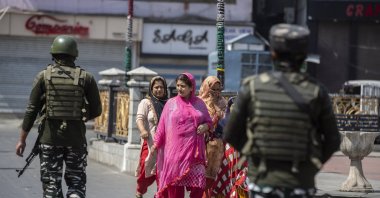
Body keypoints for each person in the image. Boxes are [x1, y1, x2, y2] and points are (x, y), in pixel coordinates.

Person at [224, 23, 341, 198]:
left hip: (263, 182)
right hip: (301, 184)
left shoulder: (253, 87)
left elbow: (231, 133)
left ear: (273, 54)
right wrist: (310, 166)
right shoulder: (317, 91)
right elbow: (333, 140)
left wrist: (254, 157)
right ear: (303, 56)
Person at [15, 35, 102, 198]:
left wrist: (22, 140)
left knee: (51, 186)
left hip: (49, 139)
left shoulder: (43, 76)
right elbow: (97, 110)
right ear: (75, 54)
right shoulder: (86, 78)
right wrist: (81, 116)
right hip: (76, 140)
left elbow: (31, 110)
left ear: (53, 54)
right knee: (76, 183)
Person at [151, 73, 212, 198]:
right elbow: (162, 127)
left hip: (195, 154)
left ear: (191, 88)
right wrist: (155, 146)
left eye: (183, 86)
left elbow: (209, 122)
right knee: (175, 189)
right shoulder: (170, 104)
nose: (179, 88)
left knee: (198, 187)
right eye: (178, 85)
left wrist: (205, 126)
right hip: (175, 155)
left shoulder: (199, 103)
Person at [135, 76, 168, 198]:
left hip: (165, 146)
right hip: (149, 143)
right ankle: (140, 191)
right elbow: (139, 118)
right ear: (151, 88)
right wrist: (143, 130)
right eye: (156, 87)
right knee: (145, 171)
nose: (159, 90)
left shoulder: (169, 103)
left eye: (161, 87)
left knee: (162, 175)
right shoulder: (146, 102)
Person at [197, 76, 226, 197]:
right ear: (207, 88)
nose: (217, 93)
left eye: (219, 89)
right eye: (213, 89)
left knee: (214, 178)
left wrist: (218, 109)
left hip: (218, 144)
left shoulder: (223, 102)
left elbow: (225, 121)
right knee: (201, 177)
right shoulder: (198, 102)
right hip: (203, 143)